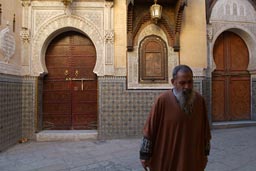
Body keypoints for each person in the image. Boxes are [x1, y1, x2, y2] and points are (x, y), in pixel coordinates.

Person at [139, 65, 211, 171]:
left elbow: (205, 131)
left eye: (190, 82)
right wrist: (144, 155)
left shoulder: (199, 101)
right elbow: (150, 130)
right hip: (168, 158)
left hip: (192, 158)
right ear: (173, 82)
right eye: (182, 83)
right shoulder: (162, 101)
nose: (187, 86)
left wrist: (205, 154)